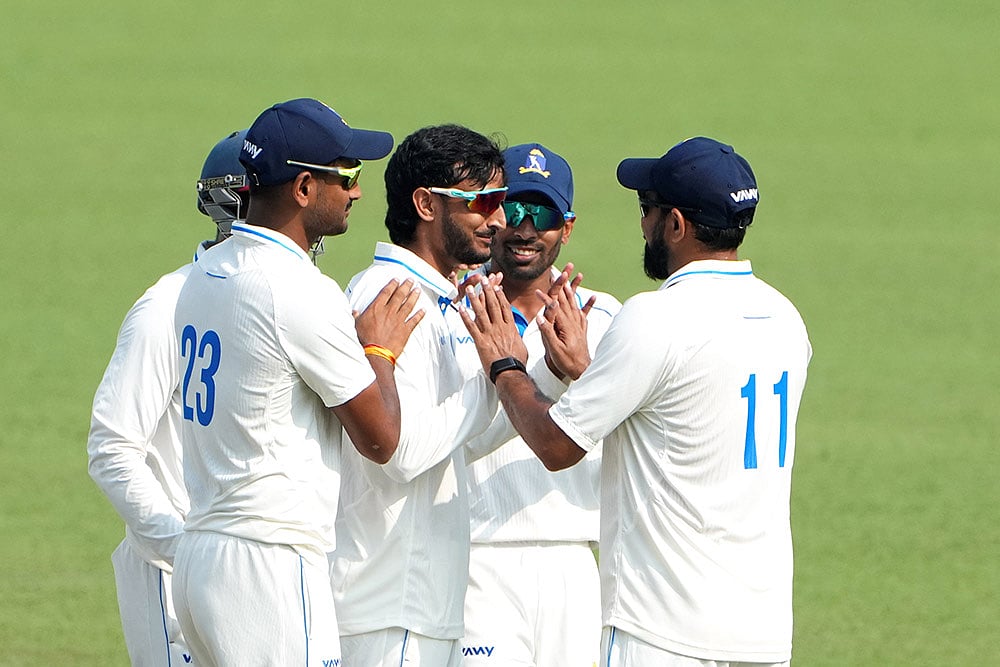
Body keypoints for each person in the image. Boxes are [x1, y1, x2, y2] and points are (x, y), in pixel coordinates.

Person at [460, 137, 812, 666]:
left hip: (664, 622)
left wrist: (507, 365)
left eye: (646, 209)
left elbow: (559, 447)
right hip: (759, 623)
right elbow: (681, 411)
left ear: (675, 224)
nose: (642, 225)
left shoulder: (653, 317)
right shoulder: (786, 318)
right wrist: (586, 374)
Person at [170, 98, 423, 666]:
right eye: (348, 176)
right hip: (270, 565)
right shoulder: (299, 289)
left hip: (200, 559)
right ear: (304, 187)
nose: (357, 191)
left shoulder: (203, 274)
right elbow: (381, 439)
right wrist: (377, 350)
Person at [331, 125, 575, 666]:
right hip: (385, 602)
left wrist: (537, 377)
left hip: (424, 603)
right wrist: (497, 373)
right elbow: (401, 453)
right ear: (424, 204)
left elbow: (463, 441)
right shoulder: (391, 296)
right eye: (482, 202)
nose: (499, 219)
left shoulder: (442, 298)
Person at [87, 128, 249, 666]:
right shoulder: (165, 307)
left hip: (259, 572)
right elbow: (112, 447)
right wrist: (184, 550)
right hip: (174, 575)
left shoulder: (287, 302)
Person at [457, 143, 621, 666]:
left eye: (543, 214)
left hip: (573, 559)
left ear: (566, 227)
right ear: (491, 214)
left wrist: (582, 371)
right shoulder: (453, 309)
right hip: (476, 557)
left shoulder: (607, 319)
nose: (526, 230)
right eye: (514, 210)